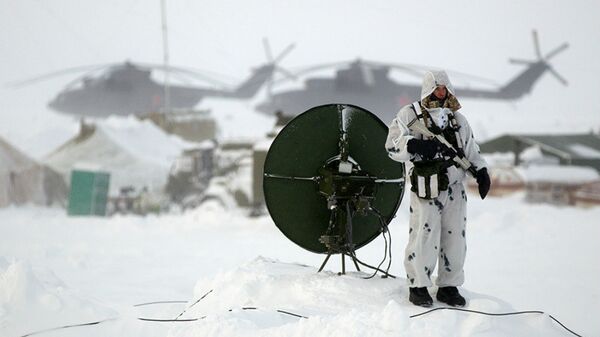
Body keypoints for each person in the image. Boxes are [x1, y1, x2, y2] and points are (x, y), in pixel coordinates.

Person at [385, 70, 490, 307]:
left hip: (454, 187)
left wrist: (482, 171)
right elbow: (392, 144)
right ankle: (418, 285)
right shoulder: (410, 115)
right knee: (424, 235)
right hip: (427, 186)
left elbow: (472, 150)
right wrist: (414, 145)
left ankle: (449, 286)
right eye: (436, 88)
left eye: (444, 88)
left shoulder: (457, 120)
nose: (440, 92)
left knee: (455, 238)